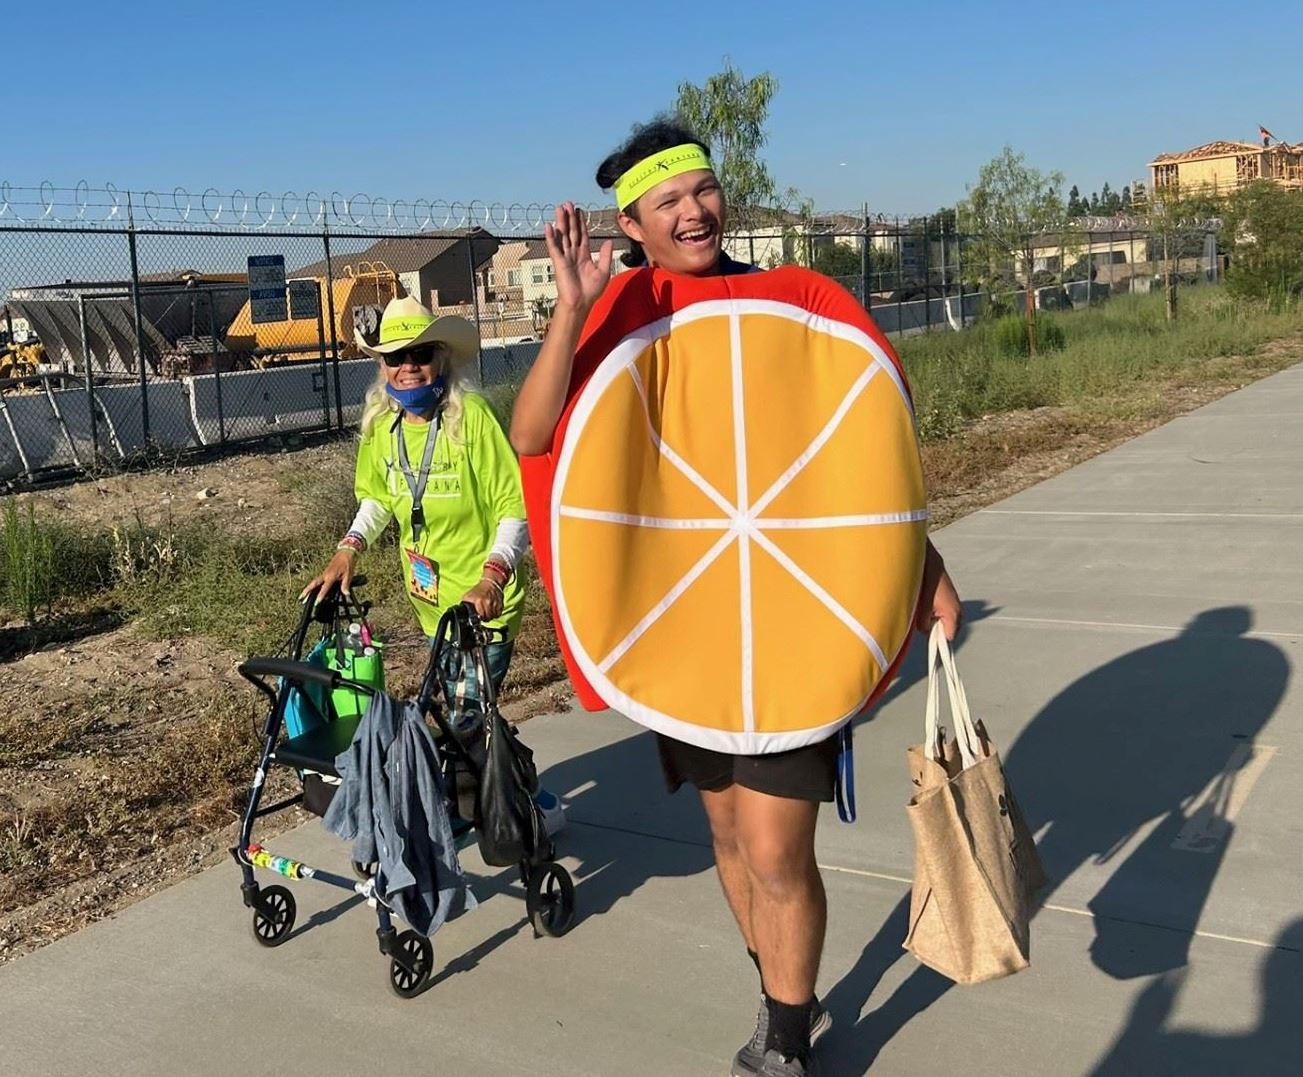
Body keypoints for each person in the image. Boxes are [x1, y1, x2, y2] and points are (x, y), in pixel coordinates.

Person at [510, 117, 962, 1077]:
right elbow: (534, 432)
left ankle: (788, 1042)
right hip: (683, 621)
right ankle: (776, 991)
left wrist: (922, 566)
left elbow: (860, 457)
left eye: (703, 190)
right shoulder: (618, 308)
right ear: (630, 224)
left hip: (792, 615)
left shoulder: (792, 303)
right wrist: (570, 309)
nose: (693, 211)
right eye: (667, 201)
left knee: (772, 849)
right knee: (723, 830)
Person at [302, 294, 563, 832]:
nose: (407, 365)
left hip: (482, 603)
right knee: (463, 710)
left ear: (442, 357)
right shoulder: (382, 426)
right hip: (429, 604)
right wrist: (348, 547)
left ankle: (522, 808)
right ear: (381, 366)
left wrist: (494, 575)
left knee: (466, 713)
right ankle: (493, 790)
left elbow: (514, 509)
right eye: (395, 356)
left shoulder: (474, 419)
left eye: (420, 352)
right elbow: (377, 499)